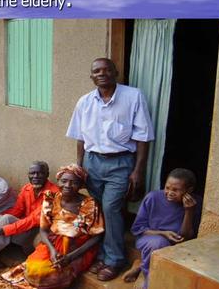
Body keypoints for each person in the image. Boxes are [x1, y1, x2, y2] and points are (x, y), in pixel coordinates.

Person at [66, 58, 154, 281]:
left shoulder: (133, 96)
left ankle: (115, 259)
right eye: (97, 71)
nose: (102, 73)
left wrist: (138, 170)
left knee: (111, 208)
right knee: (98, 209)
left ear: (116, 72)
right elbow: (79, 137)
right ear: (91, 76)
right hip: (93, 162)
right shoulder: (84, 102)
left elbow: (144, 138)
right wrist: (80, 166)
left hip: (121, 162)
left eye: (107, 70)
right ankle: (103, 254)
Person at [2, 164, 104, 289]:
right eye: (64, 181)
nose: (67, 185)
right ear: (58, 181)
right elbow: (43, 230)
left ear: (81, 185)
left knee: (54, 273)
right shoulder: (51, 199)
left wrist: (71, 257)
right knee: (34, 269)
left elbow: (96, 237)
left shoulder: (89, 204)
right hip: (53, 243)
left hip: (78, 247)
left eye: (74, 182)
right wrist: (52, 250)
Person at [122, 168, 202, 288]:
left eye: (176, 190)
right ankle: (150, 283)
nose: (170, 192)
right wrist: (163, 233)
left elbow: (187, 236)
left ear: (188, 190)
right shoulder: (153, 197)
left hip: (176, 244)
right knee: (159, 243)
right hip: (150, 238)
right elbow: (138, 229)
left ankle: (141, 264)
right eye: (167, 187)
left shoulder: (195, 203)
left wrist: (189, 211)